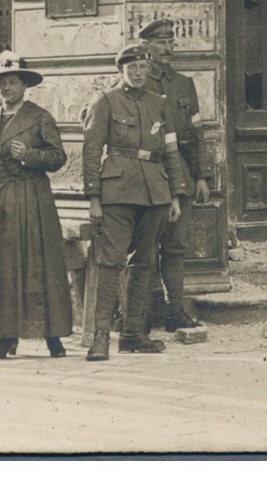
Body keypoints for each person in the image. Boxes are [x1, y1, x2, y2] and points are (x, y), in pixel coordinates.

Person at [0, 52, 73, 360]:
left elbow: (58, 157)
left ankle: (53, 336)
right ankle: (6, 337)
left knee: (38, 267)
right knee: (1, 270)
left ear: (25, 86)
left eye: (13, 82)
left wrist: (30, 155)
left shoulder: (40, 117)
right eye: (2, 84)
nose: (7, 88)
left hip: (30, 199)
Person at [81, 44, 188, 361]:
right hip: (117, 192)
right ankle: (100, 338)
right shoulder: (105, 101)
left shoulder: (160, 104)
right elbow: (91, 151)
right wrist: (94, 197)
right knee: (110, 262)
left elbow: (170, 150)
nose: (139, 73)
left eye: (143, 67)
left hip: (155, 191)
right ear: (121, 70)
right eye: (132, 68)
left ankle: (133, 335)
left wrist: (176, 195)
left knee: (145, 262)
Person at [140, 19, 211, 334]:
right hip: (147, 174)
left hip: (180, 172)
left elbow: (196, 132)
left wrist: (201, 176)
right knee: (142, 246)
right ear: (146, 47)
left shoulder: (184, 84)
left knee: (175, 245)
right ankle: (137, 314)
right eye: (160, 42)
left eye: (170, 41)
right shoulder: (138, 82)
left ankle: (174, 312)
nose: (167, 47)